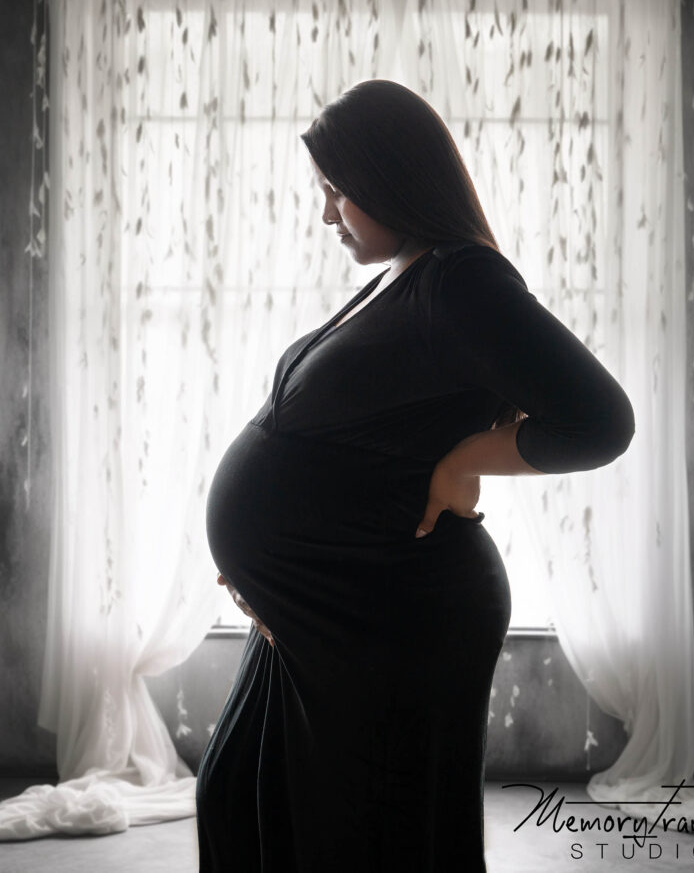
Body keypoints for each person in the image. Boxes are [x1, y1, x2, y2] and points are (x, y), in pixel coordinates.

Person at [195, 79, 635, 873]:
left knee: (369, 839)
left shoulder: (462, 282)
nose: (327, 214)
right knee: (237, 795)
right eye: (322, 193)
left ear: (393, 178)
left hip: (393, 610)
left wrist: (465, 461)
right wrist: (272, 571)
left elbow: (601, 421)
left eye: (339, 193)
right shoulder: (403, 272)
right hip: (331, 602)